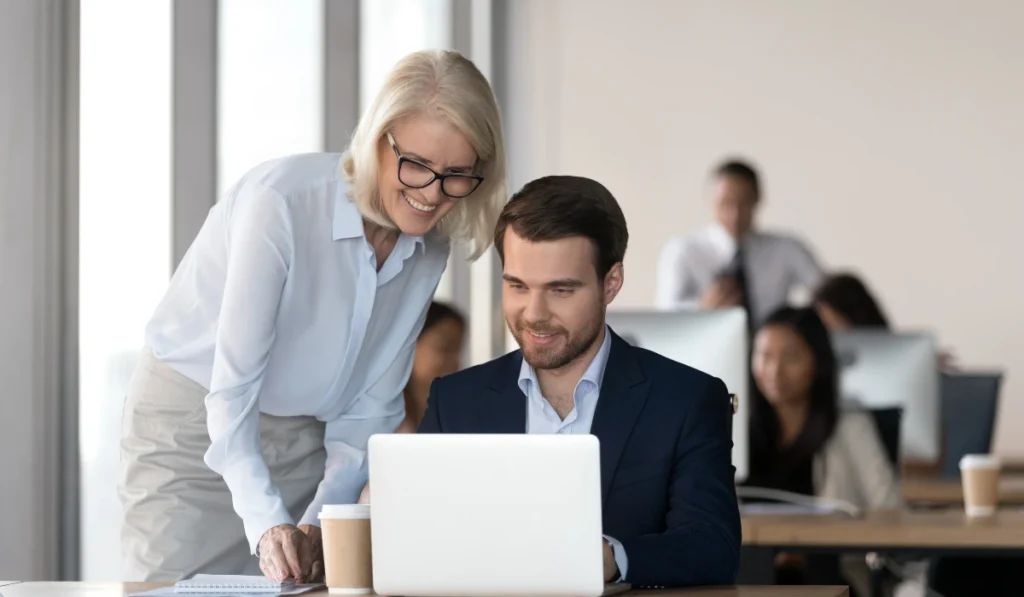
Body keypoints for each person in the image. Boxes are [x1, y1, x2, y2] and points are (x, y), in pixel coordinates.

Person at [118, 49, 507, 582]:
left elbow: (371, 405)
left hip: (306, 433)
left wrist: (320, 518)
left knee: (301, 580)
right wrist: (266, 525)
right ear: (377, 141)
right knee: (177, 590)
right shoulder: (280, 204)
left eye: (457, 175)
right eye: (416, 165)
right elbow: (231, 395)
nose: (431, 195)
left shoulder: (429, 247)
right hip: (195, 426)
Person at [418, 175, 741, 588]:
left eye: (561, 290)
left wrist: (612, 558)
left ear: (611, 283)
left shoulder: (686, 400)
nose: (534, 313)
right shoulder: (454, 402)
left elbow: (714, 547)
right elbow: (423, 539)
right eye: (517, 285)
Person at [743, 306, 899, 592]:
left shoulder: (850, 427)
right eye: (764, 356)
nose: (774, 370)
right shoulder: (736, 428)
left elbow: (889, 514)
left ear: (818, 362)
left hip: (831, 577)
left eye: (790, 357)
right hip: (750, 575)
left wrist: (811, 548)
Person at [656, 159, 823, 328]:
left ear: (758, 199)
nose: (735, 215)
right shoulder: (683, 251)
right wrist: (701, 308)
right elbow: (664, 312)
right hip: (706, 348)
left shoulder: (787, 249)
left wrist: (802, 322)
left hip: (772, 351)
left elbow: (829, 298)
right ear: (710, 200)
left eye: (743, 203)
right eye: (725, 203)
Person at [397, 300, 466, 432]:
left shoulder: (457, 413)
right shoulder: (384, 419)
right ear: (409, 345)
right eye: (444, 348)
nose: (453, 361)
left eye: (457, 350)